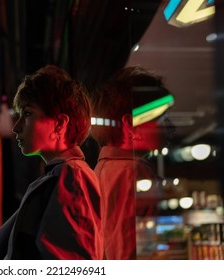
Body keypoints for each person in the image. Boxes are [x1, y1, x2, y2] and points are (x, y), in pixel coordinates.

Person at [0, 65, 103, 259]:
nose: (16, 127)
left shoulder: (71, 177)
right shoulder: (64, 175)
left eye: (28, 114)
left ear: (60, 123)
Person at [90, 65, 175, 259]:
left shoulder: (101, 171)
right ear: (130, 124)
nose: (171, 128)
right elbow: (135, 251)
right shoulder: (134, 172)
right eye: (163, 118)